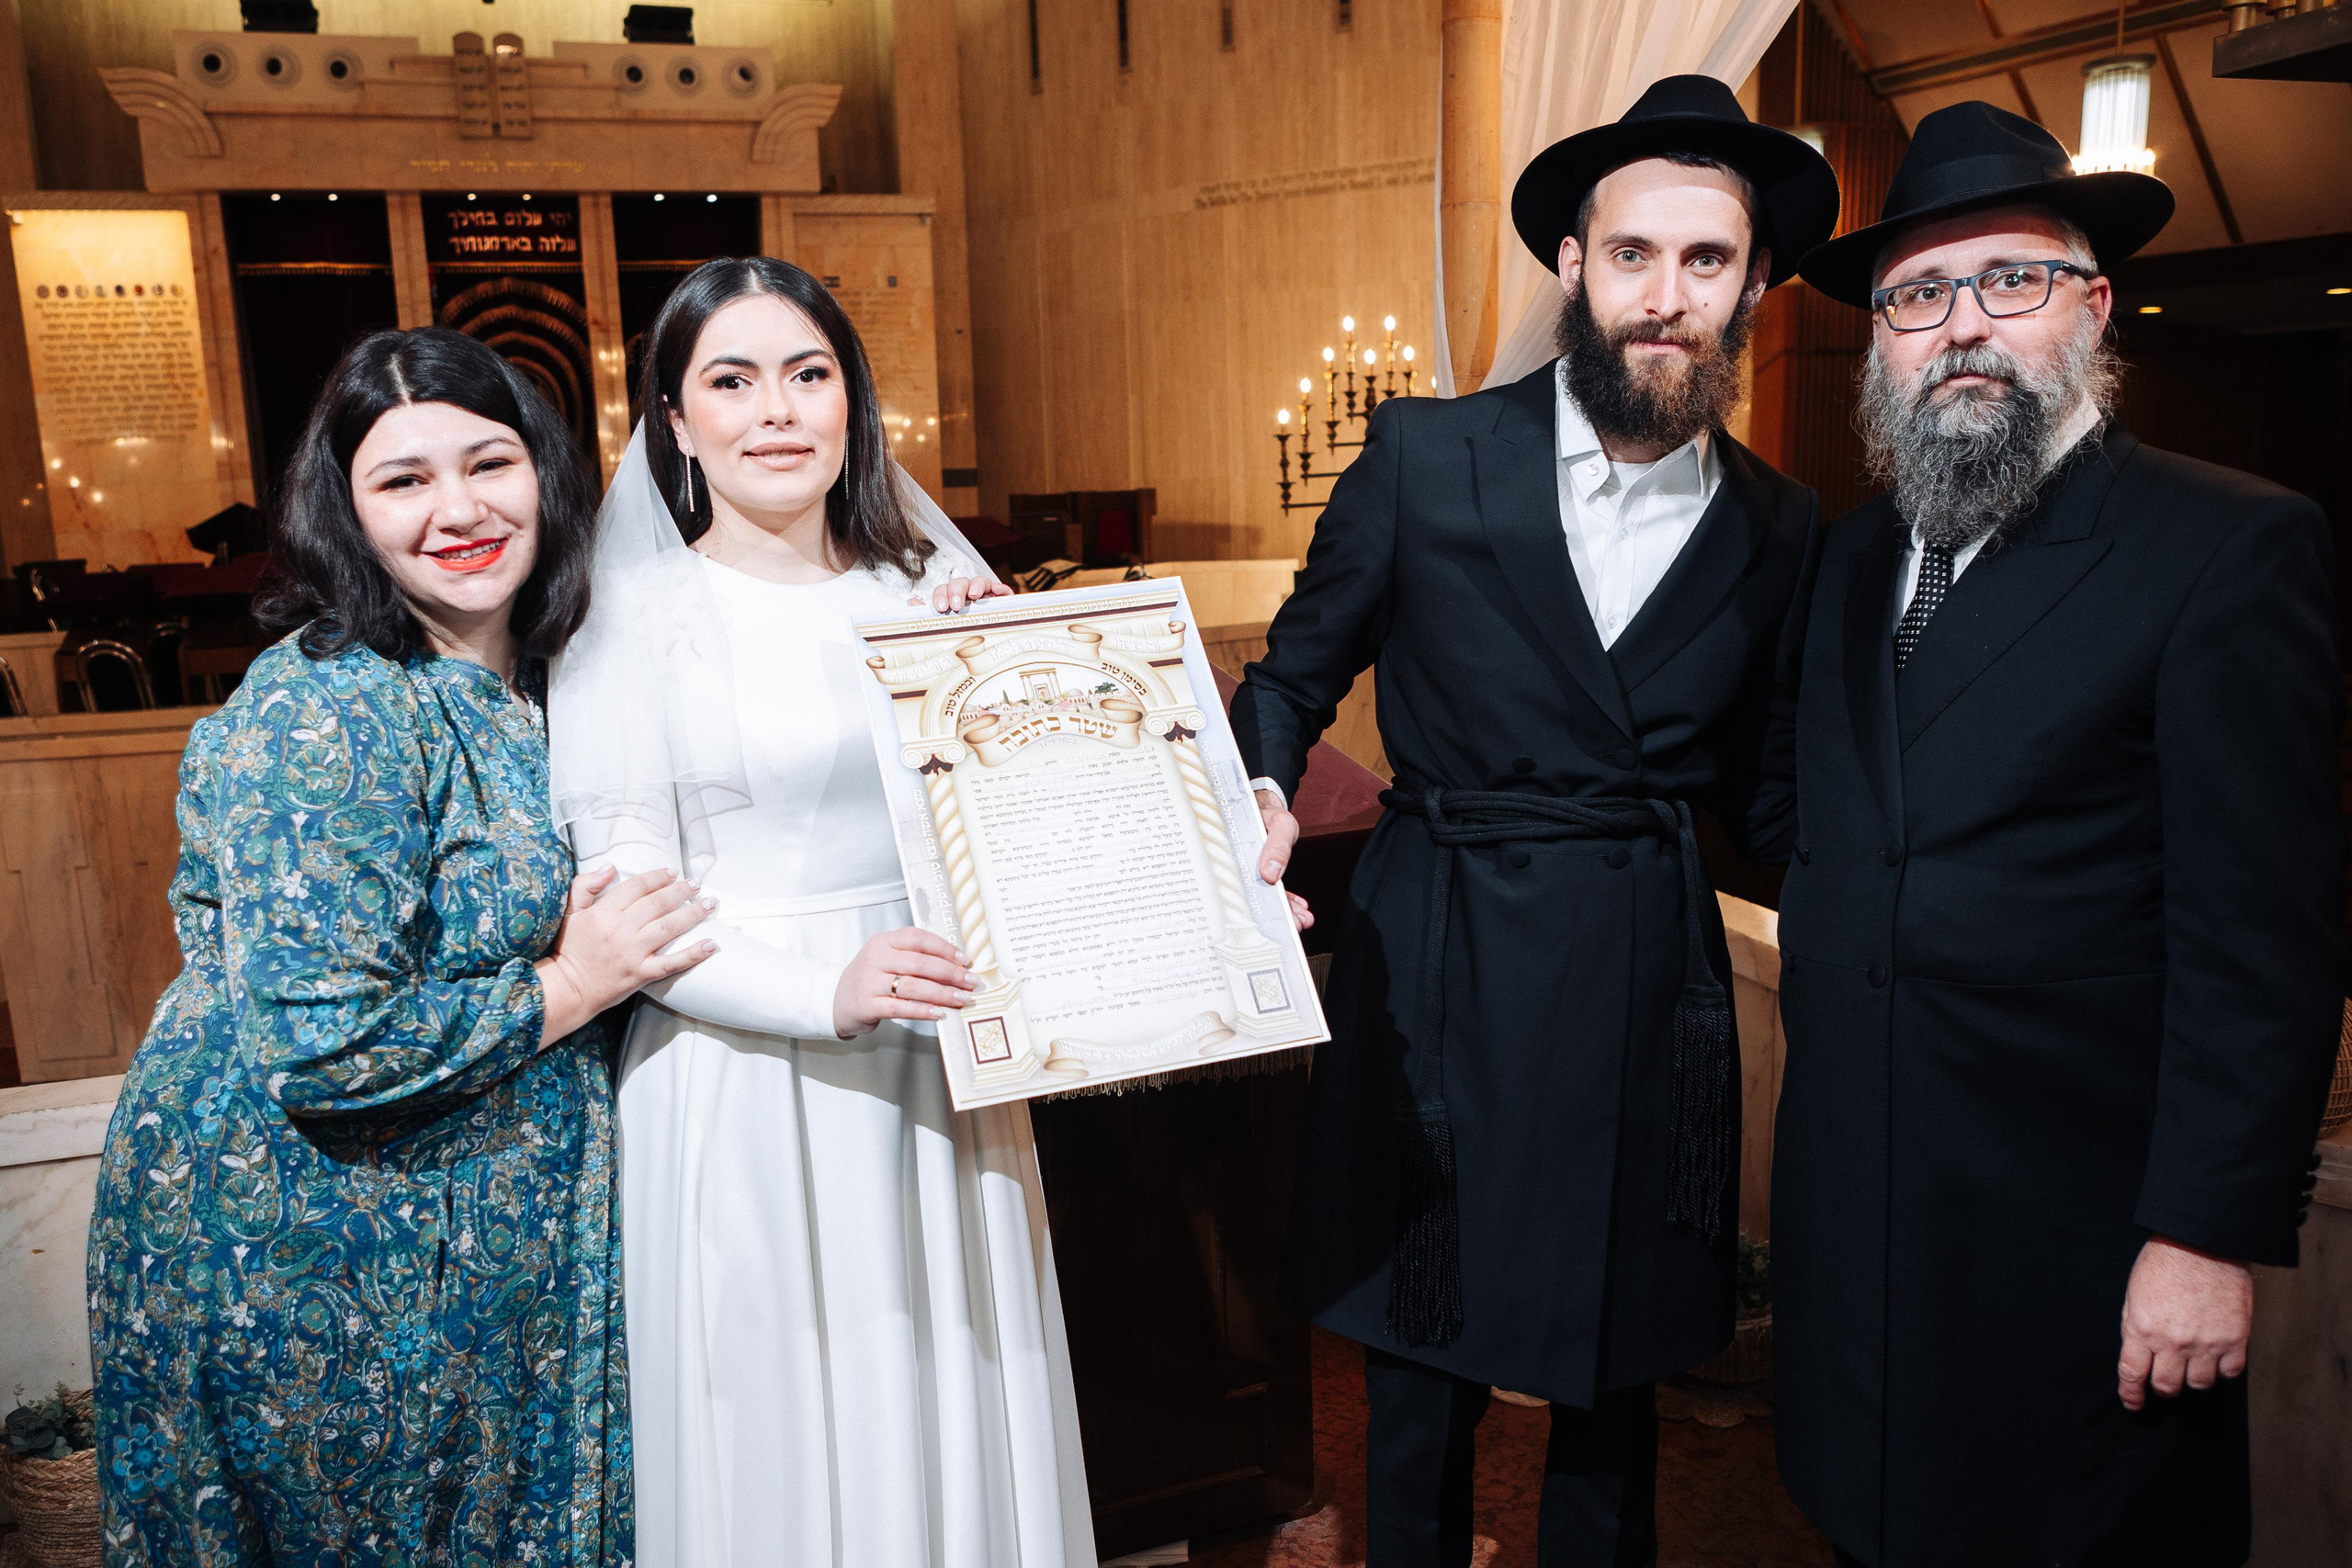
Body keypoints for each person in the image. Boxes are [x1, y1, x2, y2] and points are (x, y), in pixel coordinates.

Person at [1231, 76, 1838, 1566]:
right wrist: (1250, 794)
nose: (1665, 296)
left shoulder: (1781, 524)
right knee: (1419, 1352)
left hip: (1645, 970)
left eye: (1707, 263)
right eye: (1633, 254)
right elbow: (1289, 679)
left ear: (1752, 286)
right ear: (1573, 264)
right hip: (1438, 953)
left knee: (1615, 1366)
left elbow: (1774, 792)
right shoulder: (1429, 457)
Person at [1770, 102, 2344, 1568]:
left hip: (2081, 1241)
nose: (1960, 326)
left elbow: (2261, 938)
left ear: (2091, 308)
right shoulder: (1845, 561)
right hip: (1866, 1221)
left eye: (2007, 281)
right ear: (1882, 344)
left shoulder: (2225, 545)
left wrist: (2208, 1236)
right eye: (1916, 297)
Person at [86, 327, 715, 1563]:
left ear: (548, 472)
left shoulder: (551, 670)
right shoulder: (330, 702)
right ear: (346, 512)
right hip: (308, 1244)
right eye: (404, 480)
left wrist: (932, 604)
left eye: (491, 463)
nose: (461, 509)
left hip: (473, 1246)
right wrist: (578, 982)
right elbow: (328, 1042)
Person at [547, 256, 1097, 1568]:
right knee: (784, 1427)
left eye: (808, 374)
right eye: (730, 381)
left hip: (942, 1058)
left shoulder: (927, 595)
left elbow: (1034, 837)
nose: (776, 411)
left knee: (959, 1394)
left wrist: (1006, 671)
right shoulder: (624, 621)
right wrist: (823, 990)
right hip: (744, 1078)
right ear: (674, 424)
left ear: (851, 398)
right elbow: (630, 908)